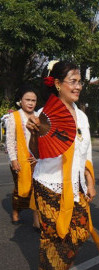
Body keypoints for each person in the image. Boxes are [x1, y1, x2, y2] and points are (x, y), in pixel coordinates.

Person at [27, 60, 99, 270]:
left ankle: (57, 268)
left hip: (75, 186)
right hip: (49, 183)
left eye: (79, 81)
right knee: (54, 234)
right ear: (57, 84)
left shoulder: (82, 117)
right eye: (72, 81)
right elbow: (37, 153)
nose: (78, 86)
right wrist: (35, 135)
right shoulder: (44, 115)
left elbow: (86, 155)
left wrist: (90, 182)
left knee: (79, 232)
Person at [6, 85, 40, 230]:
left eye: (33, 100)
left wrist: (39, 157)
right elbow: (9, 140)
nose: (31, 103)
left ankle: (36, 221)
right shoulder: (13, 117)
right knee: (19, 190)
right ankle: (15, 212)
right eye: (27, 100)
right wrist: (14, 161)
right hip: (19, 160)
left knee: (37, 190)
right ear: (21, 100)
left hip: (36, 160)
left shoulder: (39, 116)